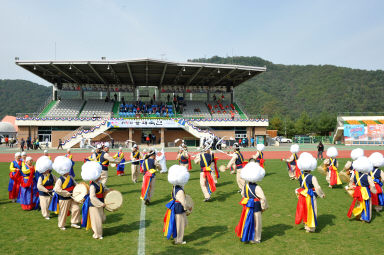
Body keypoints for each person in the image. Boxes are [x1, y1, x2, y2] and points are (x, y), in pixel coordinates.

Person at [235, 161, 268, 243]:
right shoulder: (257, 187)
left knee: (248, 221)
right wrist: (263, 207)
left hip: (247, 206)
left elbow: (243, 194)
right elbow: (263, 198)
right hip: (256, 206)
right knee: (257, 223)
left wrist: (248, 199)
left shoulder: (245, 186)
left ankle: (247, 235)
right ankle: (256, 239)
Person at [295, 153, 325, 233]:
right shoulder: (312, 177)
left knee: (305, 210)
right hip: (310, 196)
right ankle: (310, 228)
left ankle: (306, 225)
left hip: (302, 195)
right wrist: (321, 195)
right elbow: (317, 187)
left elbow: (301, 186)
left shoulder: (300, 176)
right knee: (312, 210)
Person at [50, 156, 81, 230]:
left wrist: (80, 187)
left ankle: (74, 222)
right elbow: (57, 189)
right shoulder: (60, 179)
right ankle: (61, 225)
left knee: (76, 209)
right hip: (64, 198)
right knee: (63, 212)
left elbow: (75, 184)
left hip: (72, 197)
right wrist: (67, 193)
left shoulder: (70, 177)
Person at [163, 165, 191, 245]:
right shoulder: (180, 191)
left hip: (175, 207)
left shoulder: (174, 186)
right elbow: (183, 202)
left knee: (177, 223)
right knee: (180, 224)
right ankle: (179, 240)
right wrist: (188, 208)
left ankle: (175, 237)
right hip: (179, 208)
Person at [81, 161, 108, 239]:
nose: (100, 175)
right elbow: (92, 197)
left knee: (102, 218)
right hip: (94, 204)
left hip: (100, 202)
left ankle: (97, 231)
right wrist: (100, 203)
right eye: (99, 174)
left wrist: (109, 191)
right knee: (97, 220)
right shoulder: (92, 186)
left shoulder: (99, 183)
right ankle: (97, 235)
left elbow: (104, 189)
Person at [347, 156, 377, 222]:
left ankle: (359, 215)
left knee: (359, 203)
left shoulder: (355, 176)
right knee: (367, 204)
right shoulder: (368, 177)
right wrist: (374, 191)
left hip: (358, 191)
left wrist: (352, 187)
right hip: (365, 191)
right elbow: (372, 186)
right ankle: (366, 218)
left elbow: (350, 183)